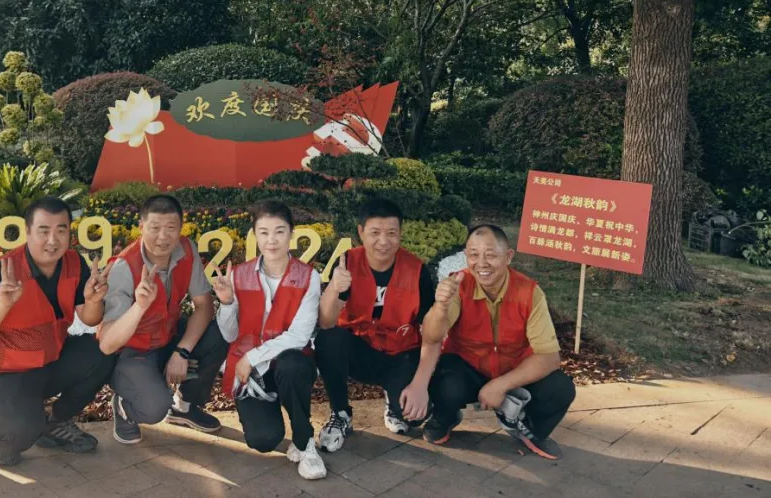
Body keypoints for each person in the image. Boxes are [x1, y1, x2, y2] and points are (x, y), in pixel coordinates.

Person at [0, 196, 115, 466]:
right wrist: (2, 303)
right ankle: (7, 438)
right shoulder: (0, 272)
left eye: (61, 230)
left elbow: (90, 320)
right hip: (5, 372)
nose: (52, 240)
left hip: (50, 360)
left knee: (103, 351)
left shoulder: (73, 263)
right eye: (43, 231)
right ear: (28, 231)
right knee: (19, 432)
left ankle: (56, 422)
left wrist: (93, 301)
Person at [421, 224, 576, 460]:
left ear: (508, 256)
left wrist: (501, 385)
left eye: (491, 255)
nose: (481, 264)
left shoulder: (529, 293)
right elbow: (431, 336)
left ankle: (531, 429)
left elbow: (549, 357)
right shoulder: (458, 285)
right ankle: (445, 417)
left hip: (514, 370)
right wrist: (441, 306)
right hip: (469, 367)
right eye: (474, 255)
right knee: (443, 379)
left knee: (560, 389)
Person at [314, 197, 441, 452]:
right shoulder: (348, 262)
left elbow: (432, 335)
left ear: (400, 233)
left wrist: (419, 386)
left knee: (414, 416)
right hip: (359, 350)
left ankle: (394, 404)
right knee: (328, 340)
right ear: (361, 232)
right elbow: (326, 322)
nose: (383, 241)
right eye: (375, 233)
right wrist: (334, 289)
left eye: (391, 233)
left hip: (400, 354)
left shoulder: (416, 271)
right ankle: (341, 414)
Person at [99, 194, 228, 444]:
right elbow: (107, 344)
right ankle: (125, 406)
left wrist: (182, 351)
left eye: (171, 228)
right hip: (133, 351)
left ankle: (184, 407)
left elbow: (204, 306)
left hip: (168, 337)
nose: (163, 237)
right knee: (154, 407)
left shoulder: (186, 249)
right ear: (141, 227)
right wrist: (139, 306)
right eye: (155, 228)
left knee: (219, 334)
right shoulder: (125, 267)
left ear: (181, 228)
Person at [214, 200, 327, 480]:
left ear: (291, 234)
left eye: (279, 231)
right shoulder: (240, 275)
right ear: (255, 235)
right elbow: (230, 335)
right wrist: (227, 303)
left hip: (287, 363)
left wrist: (251, 357)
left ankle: (304, 442)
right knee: (263, 440)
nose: (271, 240)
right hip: (253, 375)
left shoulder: (307, 277)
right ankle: (272, 407)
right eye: (264, 232)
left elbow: (299, 336)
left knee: (292, 364)